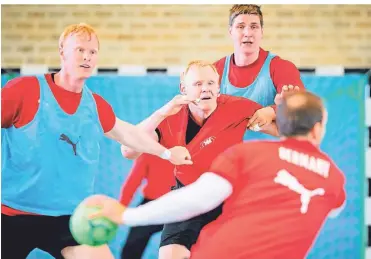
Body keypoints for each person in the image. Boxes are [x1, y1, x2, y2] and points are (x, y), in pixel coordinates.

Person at [1, 23, 192, 259]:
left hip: (69, 218)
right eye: (80, 50)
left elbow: (128, 134)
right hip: (11, 215)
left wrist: (166, 153)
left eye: (93, 52)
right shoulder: (24, 90)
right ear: (62, 51)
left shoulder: (95, 105)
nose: (87, 57)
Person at [86, 91, 346, 259]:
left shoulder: (247, 155)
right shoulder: (334, 182)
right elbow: (331, 207)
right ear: (317, 129)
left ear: (283, 126)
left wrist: (125, 215)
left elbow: (195, 199)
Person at [120, 60, 279, 259]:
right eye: (197, 84)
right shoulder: (170, 117)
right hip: (187, 197)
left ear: (218, 86)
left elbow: (284, 129)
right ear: (183, 88)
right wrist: (161, 113)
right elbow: (128, 150)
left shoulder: (238, 108)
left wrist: (272, 110)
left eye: (211, 83)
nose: (205, 89)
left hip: (228, 200)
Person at [215, 4, 305, 138]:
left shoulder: (281, 68)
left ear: (261, 31)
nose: (248, 33)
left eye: (254, 27)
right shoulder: (216, 70)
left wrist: (273, 111)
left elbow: (302, 109)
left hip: (271, 156)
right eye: (240, 27)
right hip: (229, 155)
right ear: (230, 32)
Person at [119, 153, 176, 259]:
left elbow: (133, 181)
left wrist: (120, 208)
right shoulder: (148, 152)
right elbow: (133, 182)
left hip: (176, 205)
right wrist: (120, 208)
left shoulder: (149, 150)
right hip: (158, 205)